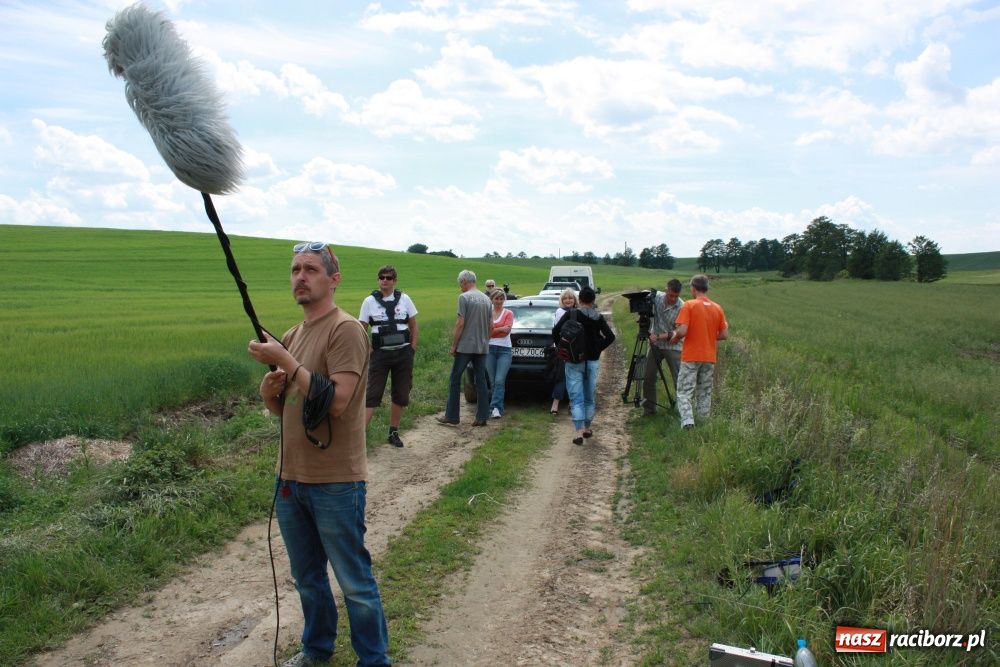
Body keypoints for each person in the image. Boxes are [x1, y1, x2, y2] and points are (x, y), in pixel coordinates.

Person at [248, 241, 391, 667]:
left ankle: (374, 660)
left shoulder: (345, 330)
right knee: (307, 578)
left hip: (335, 480)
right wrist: (269, 393)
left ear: (333, 279)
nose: (300, 277)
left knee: (353, 581)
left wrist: (285, 364)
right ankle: (316, 649)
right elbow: (293, 409)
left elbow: (337, 402)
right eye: (295, 269)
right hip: (290, 479)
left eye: (311, 269)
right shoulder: (292, 335)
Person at [359, 264, 418, 448]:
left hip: (403, 354)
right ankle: (358, 437)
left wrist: (412, 349)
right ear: (378, 280)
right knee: (372, 395)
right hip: (380, 355)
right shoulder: (369, 301)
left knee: (400, 394)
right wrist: (369, 351)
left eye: (388, 278)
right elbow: (361, 329)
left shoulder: (405, 299)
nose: (385, 280)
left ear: (395, 280)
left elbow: (414, 326)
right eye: (382, 277)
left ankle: (393, 432)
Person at [552, 286, 615, 445]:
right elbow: (610, 336)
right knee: (589, 396)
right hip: (592, 361)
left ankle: (579, 432)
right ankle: (587, 428)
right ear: (593, 301)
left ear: (579, 300)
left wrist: (563, 347)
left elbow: (555, 331)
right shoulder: (598, 317)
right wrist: (597, 347)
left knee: (576, 397)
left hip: (573, 361)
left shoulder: (571, 314)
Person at [668, 274, 729, 430]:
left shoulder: (689, 305)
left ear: (693, 289)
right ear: (706, 288)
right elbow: (724, 334)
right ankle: (703, 422)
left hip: (691, 356)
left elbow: (682, 331)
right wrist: (707, 335)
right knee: (705, 391)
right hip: (709, 357)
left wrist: (675, 337)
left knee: (684, 391)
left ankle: (688, 422)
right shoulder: (717, 307)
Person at [437, 270, 491, 426]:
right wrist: (485, 341)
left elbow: (460, 323)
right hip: (482, 346)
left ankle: (452, 416)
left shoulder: (464, 297)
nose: (460, 286)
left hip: (466, 346)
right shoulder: (486, 299)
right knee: (480, 380)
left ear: (465, 281)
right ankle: (482, 417)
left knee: (455, 378)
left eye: (460, 283)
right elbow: (490, 325)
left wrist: (454, 345)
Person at [642, 278, 684, 416]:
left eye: (676, 296)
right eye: (670, 295)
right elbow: (646, 293)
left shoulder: (682, 306)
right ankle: (649, 409)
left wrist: (659, 336)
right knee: (648, 376)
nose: (673, 299)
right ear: (666, 290)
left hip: (674, 346)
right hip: (656, 345)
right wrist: (644, 297)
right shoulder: (658, 297)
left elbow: (678, 332)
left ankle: (682, 411)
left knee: (679, 378)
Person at [486, 289, 514, 418]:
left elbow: (507, 331)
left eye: (501, 298)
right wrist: (500, 329)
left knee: (499, 380)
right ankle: (495, 407)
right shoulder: (487, 313)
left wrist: (493, 330)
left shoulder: (508, 313)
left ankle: (495, 408)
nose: (499, 301)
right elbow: (486, 332)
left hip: (504, 350)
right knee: (492, 381)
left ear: (504, 300)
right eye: (496, 298)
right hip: (489, 349)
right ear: (492, 299)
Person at [549, 288, 577, 415]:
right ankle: (556, 403)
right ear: (562, 300)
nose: (568, 300)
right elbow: (557, 330)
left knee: (574, 377)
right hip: (563, 348)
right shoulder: (560, 311)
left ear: (574, 299)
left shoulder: (578, 312)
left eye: (570, 298)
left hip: (576, 349)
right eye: (565, 298)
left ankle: (572, 403)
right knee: (561, 376)